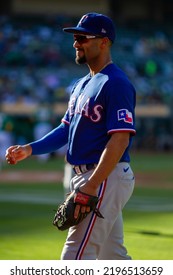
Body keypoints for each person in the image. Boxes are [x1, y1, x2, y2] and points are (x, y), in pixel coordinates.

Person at [5, 12, 136, 260]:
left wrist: (93, 183)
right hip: (93, 176)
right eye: (75, 37)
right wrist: (30, 149)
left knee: (74, 258)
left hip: (103, 175)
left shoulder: (116, 83)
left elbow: (120, 138)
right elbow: (66, 129)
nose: (76, 43)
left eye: (82, 37)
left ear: (104, 42)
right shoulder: (81, 84)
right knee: (113, 258)